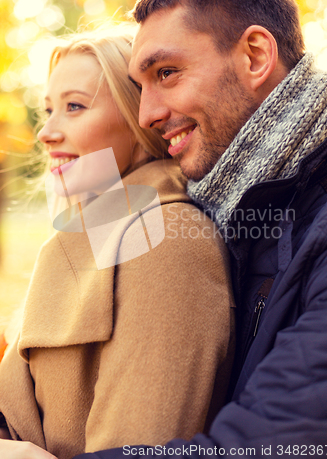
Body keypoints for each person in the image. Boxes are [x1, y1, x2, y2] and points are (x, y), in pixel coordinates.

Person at [72, 0, 327, 458]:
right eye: (140, 85)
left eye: (166, 73)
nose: (147, 114)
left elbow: (268, 446)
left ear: (255, 56)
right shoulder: (232, 211)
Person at [0, 28, 235, 459]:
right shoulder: (83, 240)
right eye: (48, 109)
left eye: (74, 107)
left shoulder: (167, 242)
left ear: (139, 118)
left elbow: (139, 447)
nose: (46, 133)